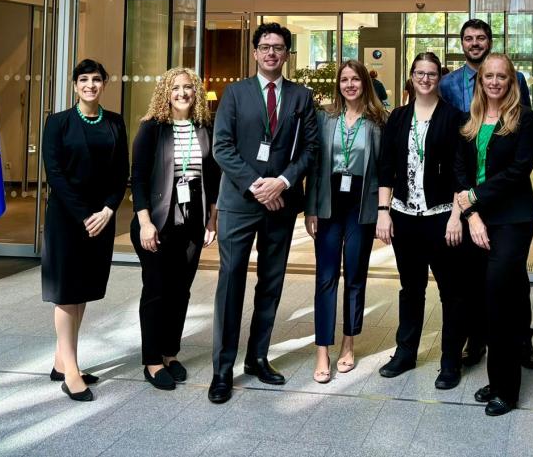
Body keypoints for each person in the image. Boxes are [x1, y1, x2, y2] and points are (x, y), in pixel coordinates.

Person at [209, 22, 319, 404]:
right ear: (255, 52)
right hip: (241, 203)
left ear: (287, 53)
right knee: (231, 281)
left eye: (279, 47)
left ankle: (257, 357)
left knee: (270, 284)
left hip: (281, 205)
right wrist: (259, 186)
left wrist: (283, 183)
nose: (272, 52)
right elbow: (222, 147)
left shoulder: (301, 96)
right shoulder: (235, 93)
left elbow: (309, 150)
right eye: (265, 46)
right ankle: (222, 370)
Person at [438, 18, 533, 370]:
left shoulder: (517, 86)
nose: (475, 43)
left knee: (511, 281)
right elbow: (454, 143)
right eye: (469, 38)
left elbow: (519, 135)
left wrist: (473, 197)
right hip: (469, 196)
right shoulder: (448, 84)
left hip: (503, 200)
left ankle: (521, 342)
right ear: (462, 43)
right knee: (476, 279)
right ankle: (478, 340)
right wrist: (463, 206)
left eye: (481, 38)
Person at [453, 53, 533, 417]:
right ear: (480, 80)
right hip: (478, 221)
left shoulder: (526, 119)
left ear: (511, 80)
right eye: (488, 75)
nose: (494, 81)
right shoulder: (469, 121)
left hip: (511, 220)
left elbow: (520, 171)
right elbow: (460, 172)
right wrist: (471, 213)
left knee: (499, 300)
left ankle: (507, 389)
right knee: (486, 300)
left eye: (501, 76)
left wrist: (474, 197)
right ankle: (498, 374)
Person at [375, 51, 466, 389]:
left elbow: (461, 173)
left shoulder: (455, 118)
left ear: (438, 77)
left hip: (441, 219)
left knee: (451, 292)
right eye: (419, 73)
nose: (425, 78)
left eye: (431, 73)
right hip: (404, 218)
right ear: (411, 77)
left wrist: (457, 217)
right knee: (410, 288)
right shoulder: (397, 118)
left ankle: (450, 361)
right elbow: (386, 168)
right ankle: (405, 352)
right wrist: (383, 213)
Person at [40, 59, 129, 403]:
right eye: (83, 80)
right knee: (66, 292)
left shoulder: (114, 123)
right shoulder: (58, 123)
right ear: (75, 85)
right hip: (67, 219)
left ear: (104, 84)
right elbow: (56, 174)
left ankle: (62, 361)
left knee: (83, 291)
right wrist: (84, 215)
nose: (90, 85)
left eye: (96, 80)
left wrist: (107, 210)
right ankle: (71, 373)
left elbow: (121, 172)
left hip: (101, 219)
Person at [130, 68, 220, 391]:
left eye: (188, 88)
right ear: (165, 93)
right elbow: (138, 177)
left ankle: (170, 353)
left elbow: (213, 176)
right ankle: (152, 361)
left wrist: (212, 219)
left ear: (196, 92)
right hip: (155, 221)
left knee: (180, 290)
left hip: (192, 222)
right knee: (155, 290)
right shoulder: (152, 128)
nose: (182, 93)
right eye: (176, 88)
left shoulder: (204, 127)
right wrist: (144, 222)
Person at [305, 60, 386, 383]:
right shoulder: (325, 119)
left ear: (365, 83)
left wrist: (384, 211)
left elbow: (383, 170)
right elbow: (313, 166)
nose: (350, 84)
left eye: (355, 79)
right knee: (325, 277)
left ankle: (348, 344)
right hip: (328, 203)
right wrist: (310, 208)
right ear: (338, 84)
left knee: (355, 275)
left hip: (361, 204)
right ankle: (323, 349)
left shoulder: (378, 121)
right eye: (344, 79)